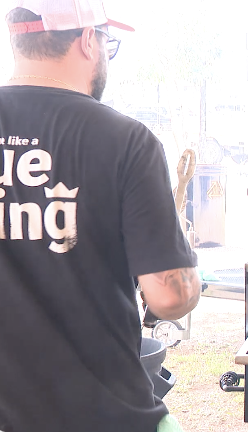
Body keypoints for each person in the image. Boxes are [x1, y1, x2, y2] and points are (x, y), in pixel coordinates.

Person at [0, 2, 201, 432]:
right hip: (101, 415)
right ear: (89, 41)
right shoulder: (127, 141)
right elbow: (169, 297)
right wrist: (180, 253)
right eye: (110, 42)